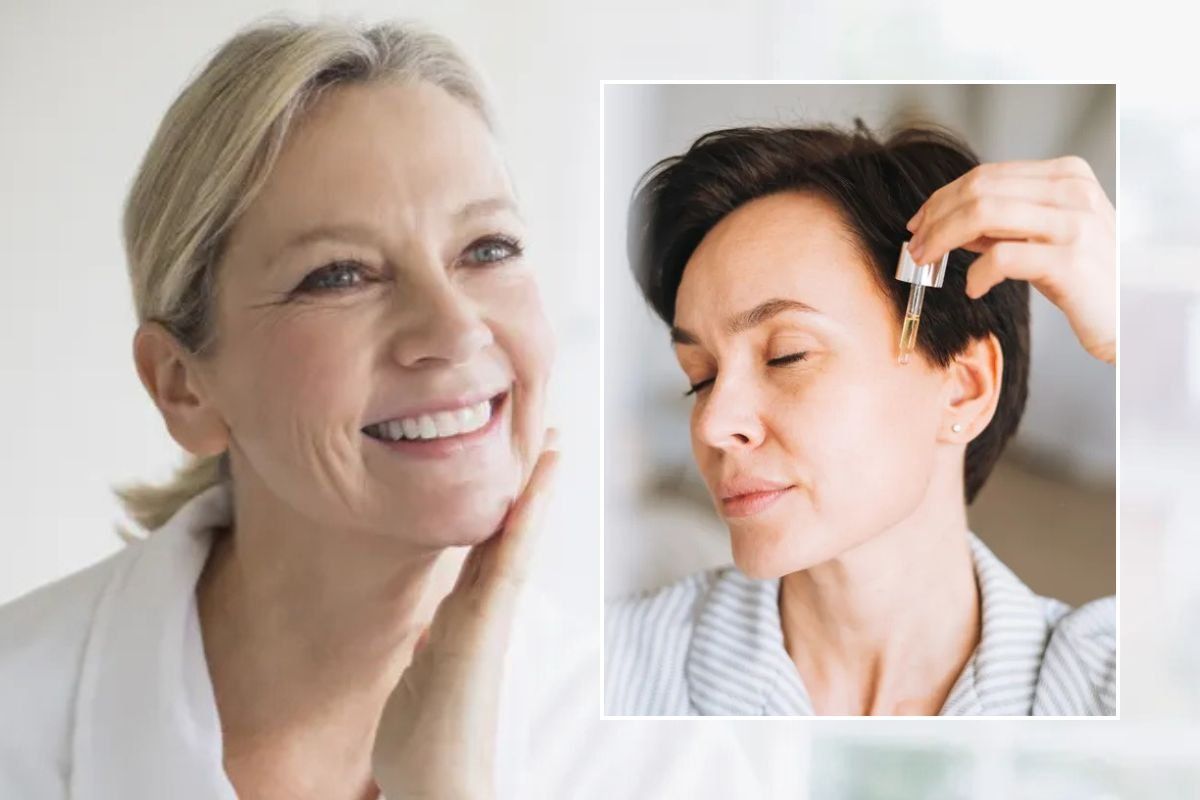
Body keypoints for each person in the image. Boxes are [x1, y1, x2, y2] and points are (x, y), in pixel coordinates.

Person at [0, 18, 778, 799]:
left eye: (487, 249)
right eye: (339, 275)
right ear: (182, 384)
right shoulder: (18, 718)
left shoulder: (663, 764)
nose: (454, 331)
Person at [606, 122, 1116, 716]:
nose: (713, 423)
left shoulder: (1110, 691)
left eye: (786, 354)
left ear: (964, 389)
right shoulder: (607, 671)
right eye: (701, 375)